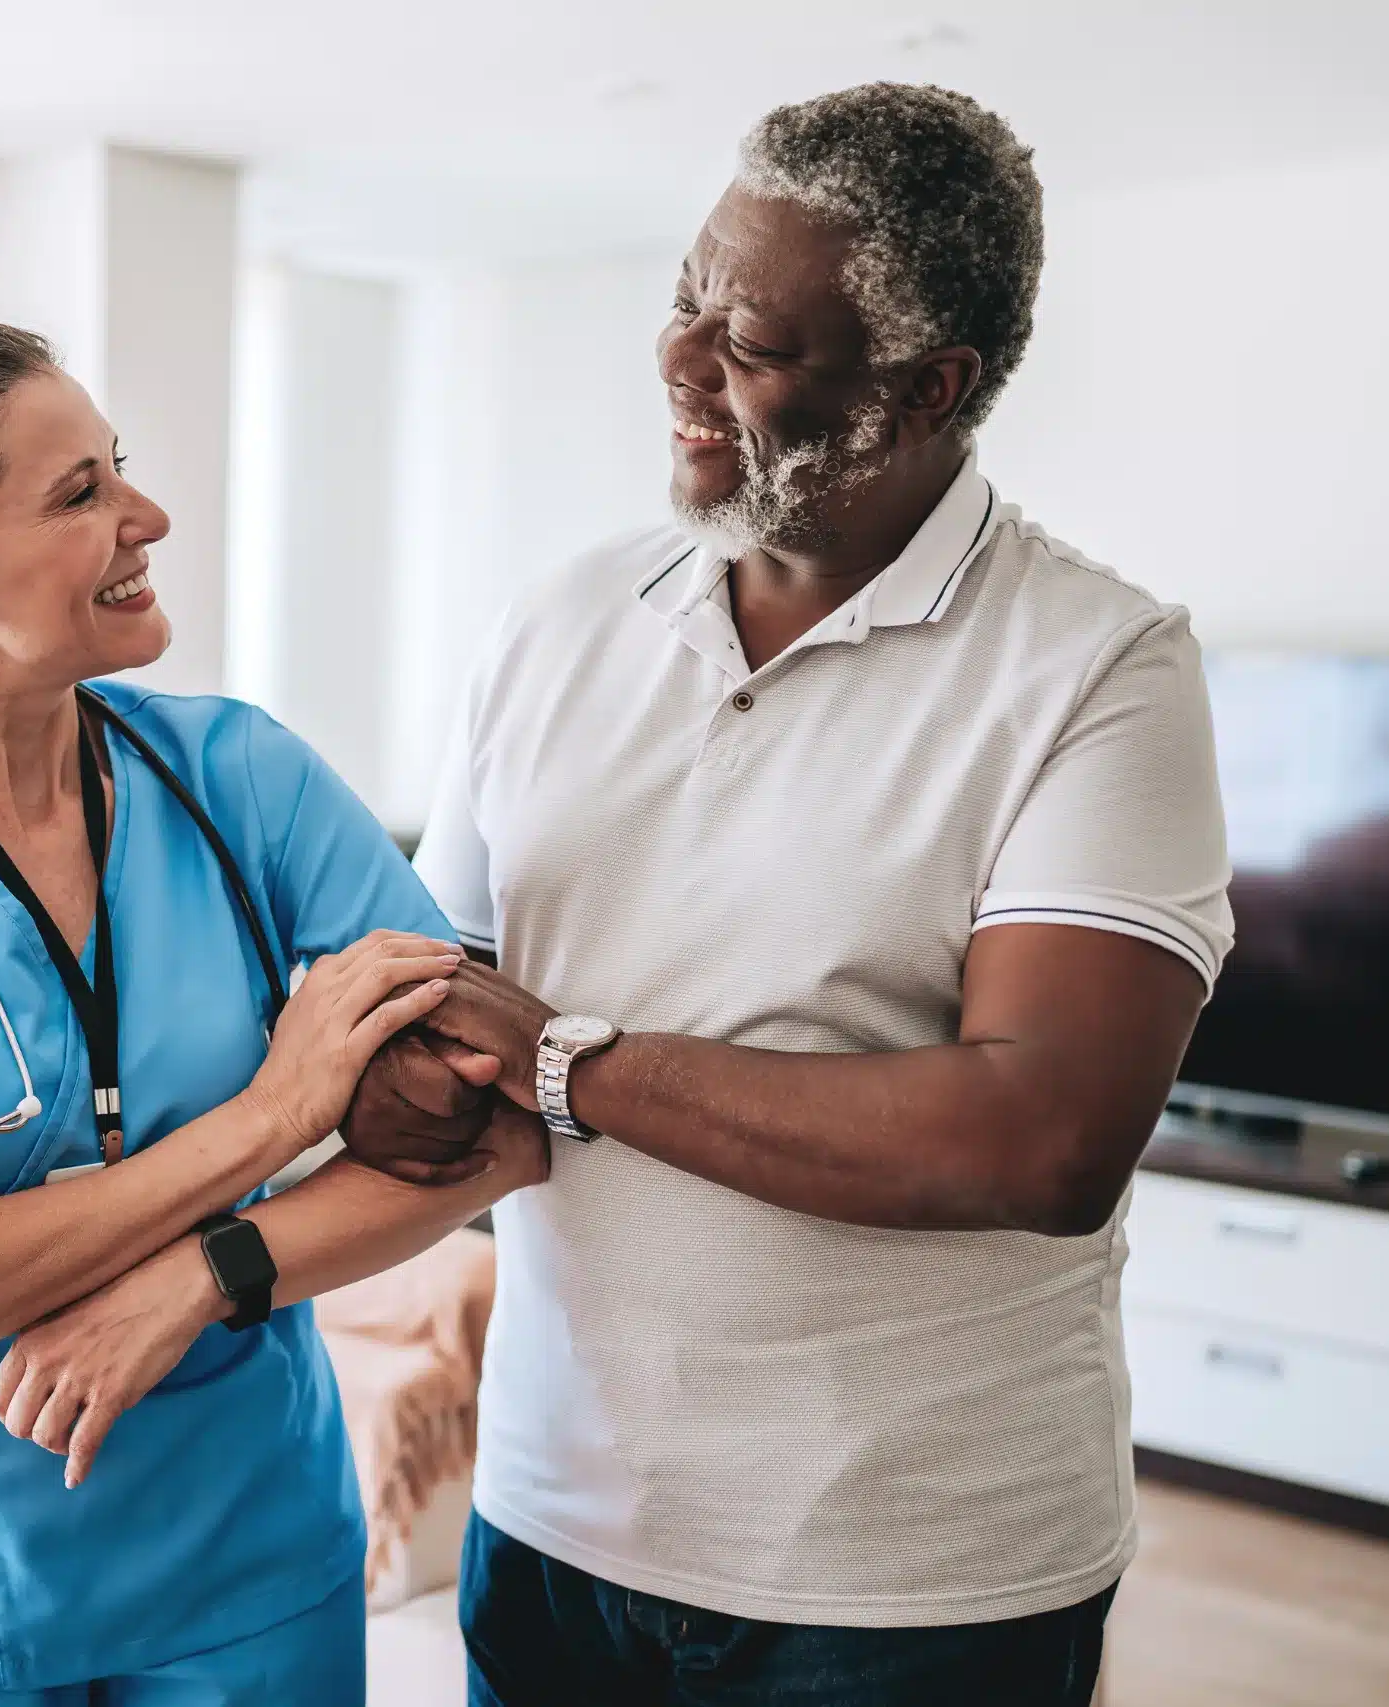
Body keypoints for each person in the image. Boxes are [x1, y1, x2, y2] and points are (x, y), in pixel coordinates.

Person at [343, 84, 1234, 1706]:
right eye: (685, 296)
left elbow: (1037, 1138)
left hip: (907, 1581)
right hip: (554, 1522)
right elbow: (437, 997)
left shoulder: (1099, 668)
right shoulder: (555, 623)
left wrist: (564, 1061)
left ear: (925, 387)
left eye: (751, 342)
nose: (682, 361)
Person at [0, 316, 541, 1707]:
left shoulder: (243, 780)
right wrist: (275, 1113)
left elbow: (502, 1120)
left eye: (119, 468)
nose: (146, 517)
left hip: (247, 1563)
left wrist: (207, 1276)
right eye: (80, 494)